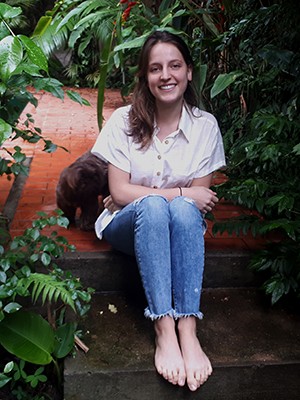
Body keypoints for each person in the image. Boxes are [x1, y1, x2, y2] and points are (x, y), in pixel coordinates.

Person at [91, 30, 226, 391]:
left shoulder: (205, 127)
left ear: (189, 72)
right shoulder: (122, 121)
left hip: (178, 226)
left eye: (174, 65)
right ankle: (164, 327)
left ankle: (188, 327)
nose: (165, 75)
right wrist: (180, 192)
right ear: (145, 77)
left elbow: (199, 203)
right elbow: (118, 192)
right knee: (155, 206)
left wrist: (160, 195)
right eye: (155, 68)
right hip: (126, 226)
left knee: (180, 211)